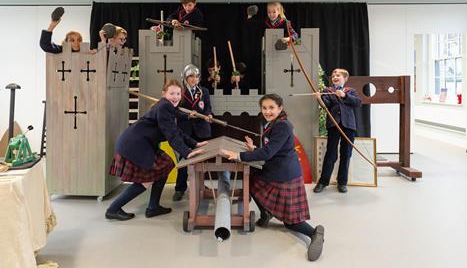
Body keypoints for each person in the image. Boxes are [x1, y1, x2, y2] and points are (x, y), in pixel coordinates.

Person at [222, 94, 325, 262]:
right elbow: (274, 148)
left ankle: (315, 233)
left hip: (285, 175)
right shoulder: (273, 123)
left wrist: (239, 155)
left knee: (290, 222)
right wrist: (253, 147)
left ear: (280, 108)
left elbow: (269, 152)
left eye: (271, 108)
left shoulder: (283, 126)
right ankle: (266, 212)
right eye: (264, 108)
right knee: (253, 181)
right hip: (275, 169)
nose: (267, 111)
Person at [105, 79, 207, 221]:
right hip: (135, 145)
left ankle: (153, 207)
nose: (175, 97)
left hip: (142, 143)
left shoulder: (168, 107)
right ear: (164, 94)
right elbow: (172, 134)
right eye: (172, 93)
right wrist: (187, 152)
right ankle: (113, 209)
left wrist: (195, 144)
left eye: (178, 93)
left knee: (165, 165)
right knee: (145, 180)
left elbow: (177, 128)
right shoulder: (164, 107)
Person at [313, 68, 362, 194]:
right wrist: (319, 98)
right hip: (334, 125)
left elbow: (358, 103)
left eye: (338, 75)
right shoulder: (328, 91)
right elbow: (326, 106)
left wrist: (344, 95)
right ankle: (323, 182)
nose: (335, 76)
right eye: (333, 74)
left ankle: (342, 182)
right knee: (330, 154)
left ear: (345, 78)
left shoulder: (351, 91)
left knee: (346, 154)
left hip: (349, 126)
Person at [173, 64, 213, 201]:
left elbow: (207, 107)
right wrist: (188, 116)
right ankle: (180, 188)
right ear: (185, 78)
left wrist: (209, 115)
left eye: (196, 76)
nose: (194, 79)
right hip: (186, 130)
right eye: (191, 76)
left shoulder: (204, 91)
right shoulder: (179, 92)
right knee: (184, 159)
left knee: (202, 159)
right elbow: (176, 112)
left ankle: (202, 185)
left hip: (202, 130)